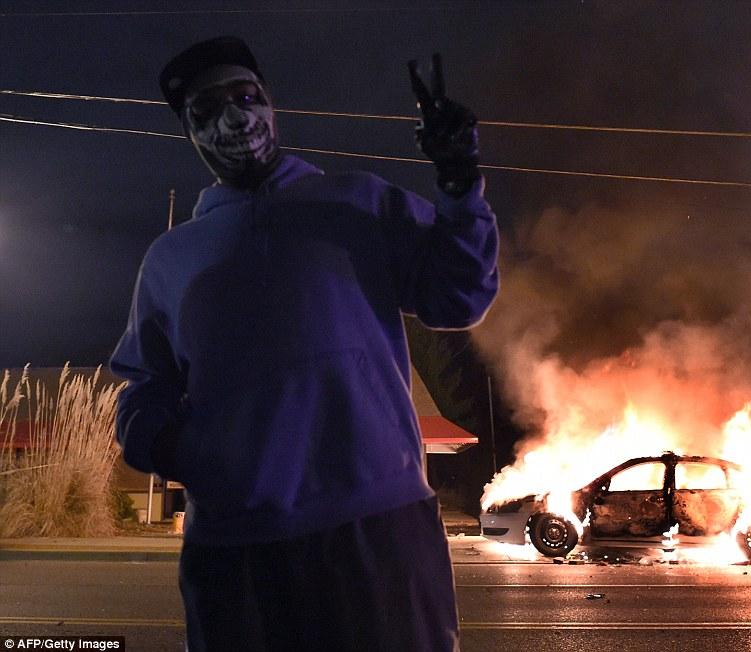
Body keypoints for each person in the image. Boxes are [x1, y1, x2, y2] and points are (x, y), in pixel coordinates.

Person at [110, 36, 498, 652]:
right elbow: (143, 389)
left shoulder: (359, 203)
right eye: (207, 110)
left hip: (380, 530)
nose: (235, 118)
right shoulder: (170, 260)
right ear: (189, 132)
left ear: (271, 103)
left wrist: (459, 186)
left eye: (246, 96)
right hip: (236, 547)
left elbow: (459, 298)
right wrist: (189, 451)